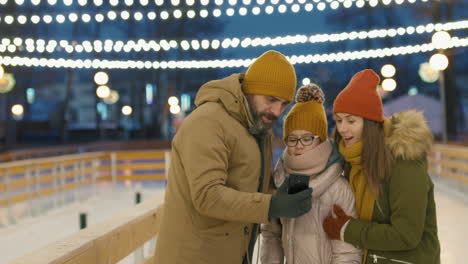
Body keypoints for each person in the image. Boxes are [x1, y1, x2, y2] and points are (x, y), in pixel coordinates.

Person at [154, 50, 313, 264]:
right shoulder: (208, 122)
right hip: (194, 255)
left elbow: (250, 188)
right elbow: (207, 196)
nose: (276, 111)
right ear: (250, 90)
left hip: (232, 252)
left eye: (284, 104)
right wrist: (272, 204)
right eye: (271, 99)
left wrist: (280, 193)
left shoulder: (258, 128)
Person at [322, 69, 440, 264]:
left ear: (369, 123)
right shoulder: (353, 160)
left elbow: (406, 235)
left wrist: (347, 229)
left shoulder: (403, 162)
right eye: (339, 120)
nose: (342, 128)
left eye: (351, 120)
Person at [261, 84, 362, 264]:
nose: (299, 145)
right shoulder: (278, 182)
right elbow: (271, 237)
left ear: (320, 140)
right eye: (292, 139)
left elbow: (347, 254)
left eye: (307, 138)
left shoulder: (338, 188)